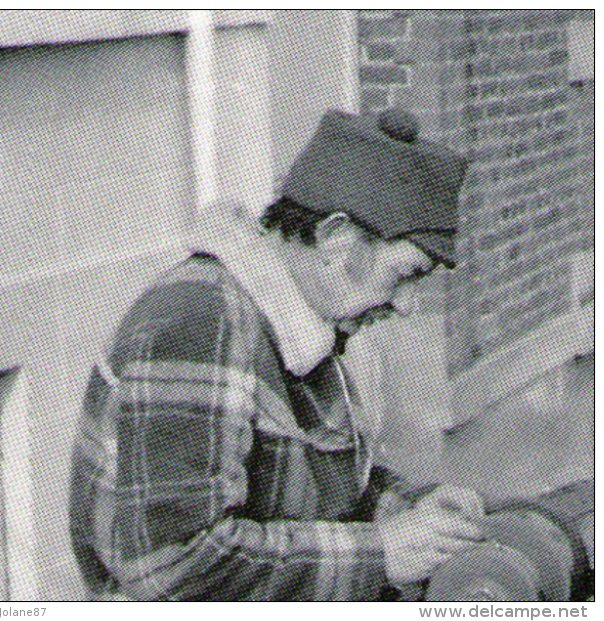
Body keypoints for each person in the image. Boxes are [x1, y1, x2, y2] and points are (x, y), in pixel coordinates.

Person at [69, 108, 485, 601]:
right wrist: (383, 552)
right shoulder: (202, 325)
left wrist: (409, 510)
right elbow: (173, 565)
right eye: (406, 275)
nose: (407, 305)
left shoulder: (301, 322)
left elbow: (321, 489)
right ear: (335, 240)